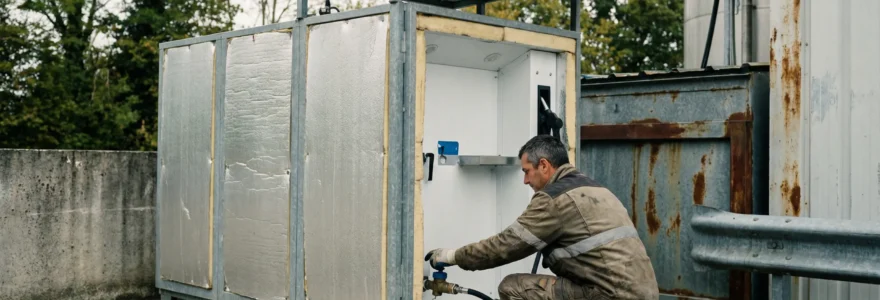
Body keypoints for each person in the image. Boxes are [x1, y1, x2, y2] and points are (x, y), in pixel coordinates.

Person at [425, 135, 659, 300]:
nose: (525, 181)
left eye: (527, 171)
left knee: (512, 287)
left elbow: (504, 247)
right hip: (644, 293)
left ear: (544, 166)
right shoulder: (595, 188)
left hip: (611, 295)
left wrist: (452, 256)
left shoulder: (555, 198)